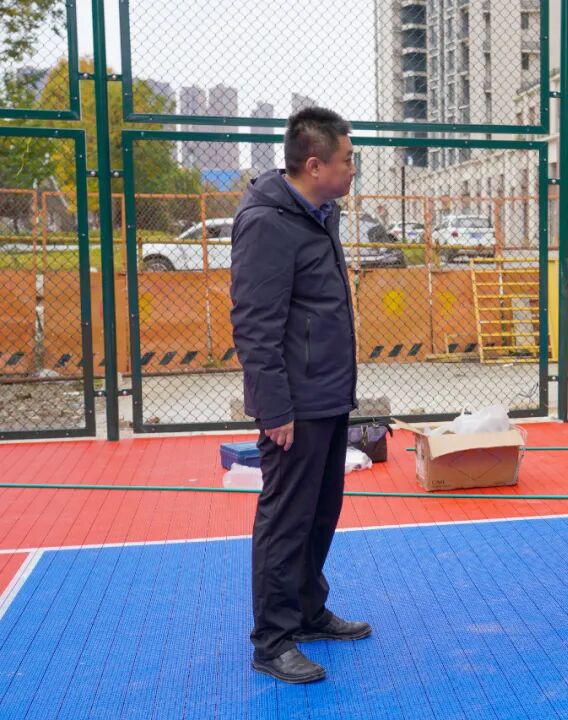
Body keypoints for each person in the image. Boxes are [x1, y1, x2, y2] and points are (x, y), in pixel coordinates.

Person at [231, 107, 370, 684]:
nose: (353, 168)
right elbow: (254, 325)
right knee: (286, 520)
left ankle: (309, 612)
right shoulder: (267, 223)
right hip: (295, 404)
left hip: (329, 396)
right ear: (315, 166)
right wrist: (274, 408)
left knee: (320, 512)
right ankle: (273, 640)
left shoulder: (320, 214)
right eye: (347, 159)